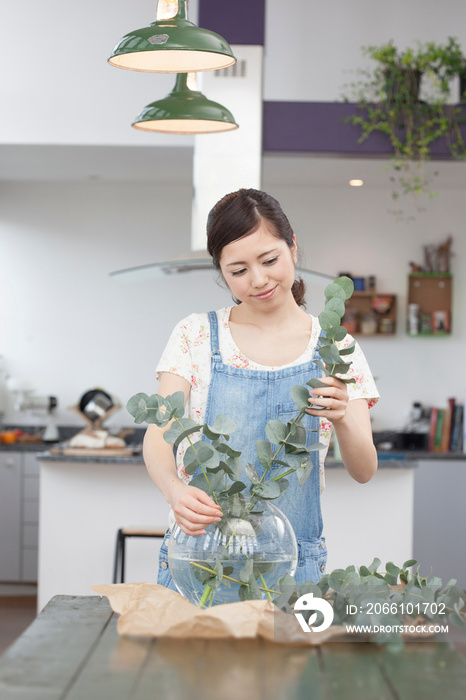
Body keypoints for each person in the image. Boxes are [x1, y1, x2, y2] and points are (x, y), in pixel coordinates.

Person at [143, 188, 379, 590]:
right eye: (238, 271)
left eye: (270, 260)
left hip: (292, 568)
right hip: (200, 559)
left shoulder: (336, 347)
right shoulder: (196, 335)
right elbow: (159, 435)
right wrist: (174, 491)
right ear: (222, 273)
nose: (259, 280)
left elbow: (364, 470)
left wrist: (342, 418)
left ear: (292, 248)